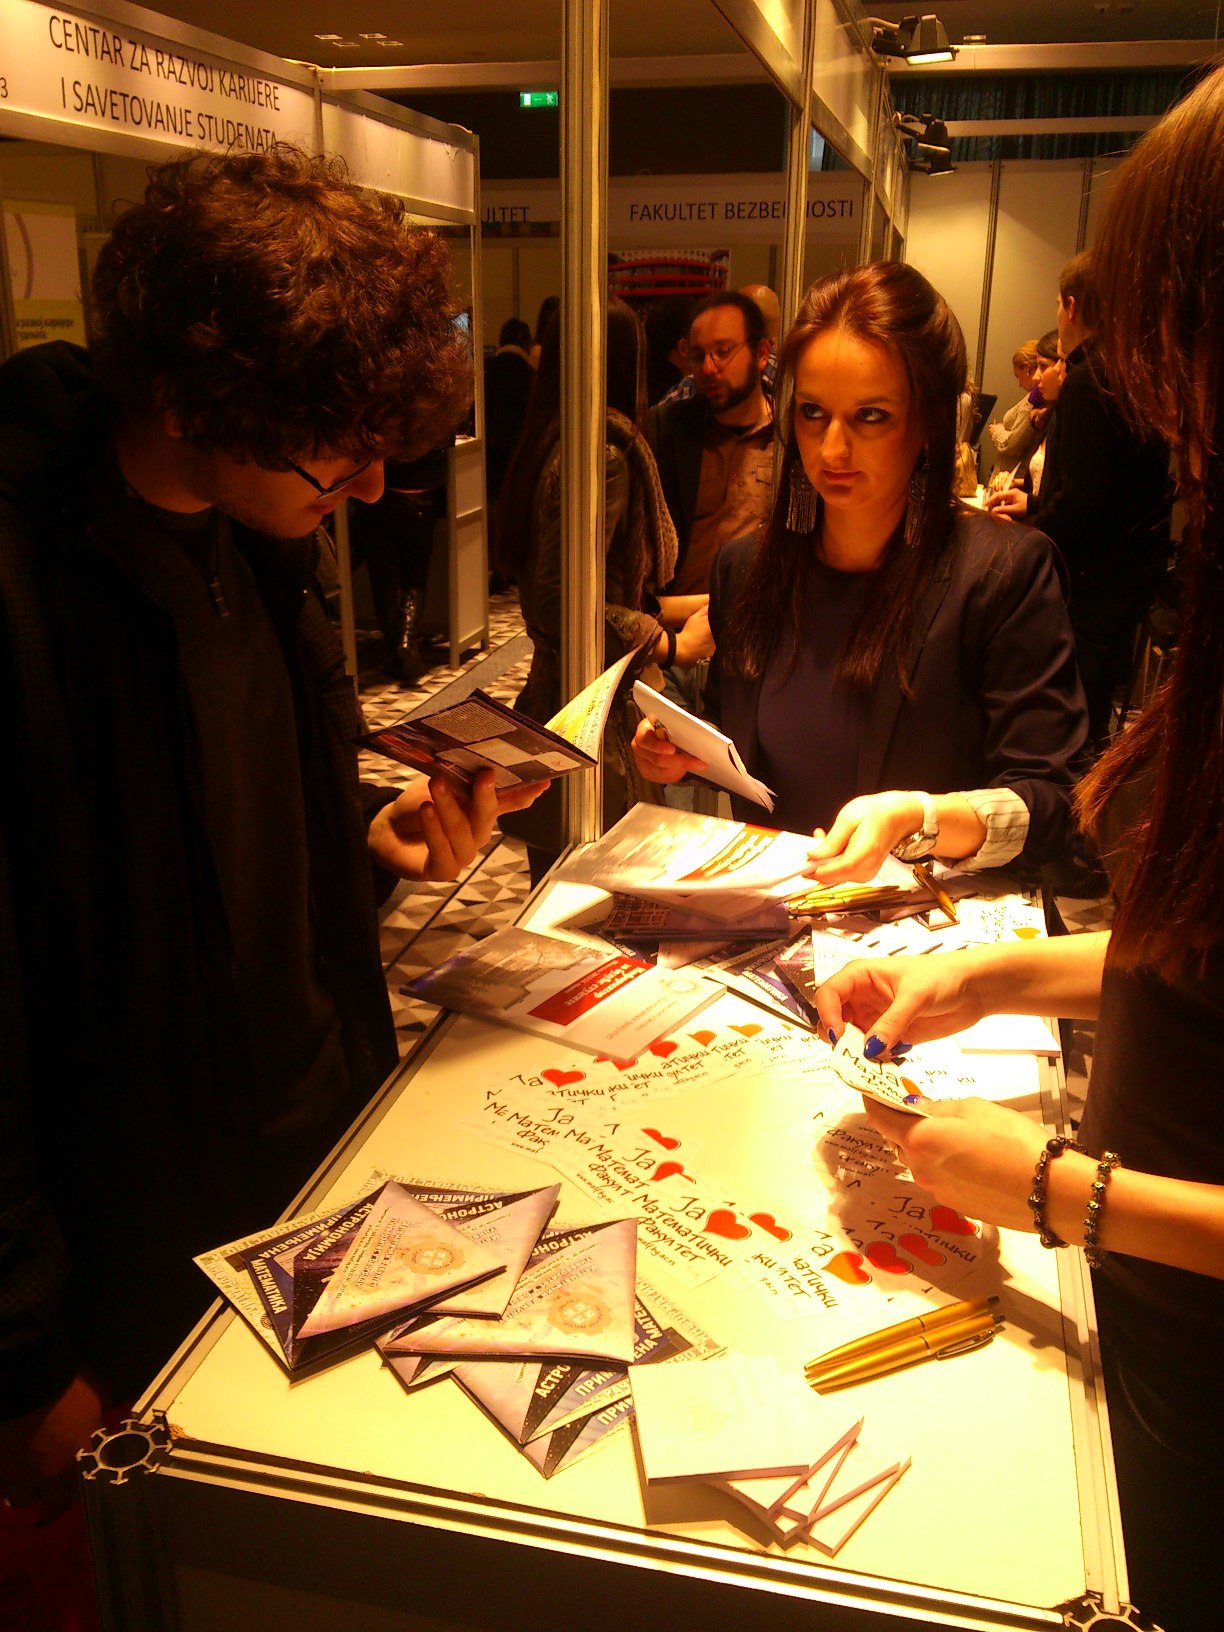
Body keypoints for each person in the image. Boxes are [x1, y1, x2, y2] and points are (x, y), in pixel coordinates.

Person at [0, 148, 546, 1519]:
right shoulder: (23, 591)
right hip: (128, 1236)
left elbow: (225, 816)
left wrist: (369, 841)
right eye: (336, 450)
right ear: (191, 398)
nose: (368, 488)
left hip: (313, 1151)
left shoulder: (261, 538)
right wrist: (18, 1358)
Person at [813, 65, 1224, 1631]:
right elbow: (1202, 970)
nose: (1158, 430)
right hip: (1140, 1318)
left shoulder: (1001, 569)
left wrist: (1066, 1190)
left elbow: (1047, 796)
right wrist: (1003, 976)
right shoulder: (765, 562)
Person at [633, 262, 1088, 883]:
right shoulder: (747, 570)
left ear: (928, 421)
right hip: (779, 909)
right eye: (813, 413)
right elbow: (737, 740)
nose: (832, 449)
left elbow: (1054, 802)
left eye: (870, 416)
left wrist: (923, 816)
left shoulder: (1002, 574)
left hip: (927, 921)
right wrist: (685, 748)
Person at [496, 298, 712, 880]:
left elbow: (586, 585)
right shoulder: (605, 453)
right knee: (600, 883)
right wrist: (669, 645)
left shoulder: (552, 441)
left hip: (561, 690)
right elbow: (560, 601)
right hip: (595, 701)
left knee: (562, 880)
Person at [986, 251, 1171, 749]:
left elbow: (1079, 509)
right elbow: (1105, 491)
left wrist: (1028, 530)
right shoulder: (1134, 376)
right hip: (1124, 583)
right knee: (1093, 716)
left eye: (1056, 304)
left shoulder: (1090, 384)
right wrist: (1033, 504)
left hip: (1089, 588)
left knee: (1071, 719)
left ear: (1071, 306)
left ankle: (1069, 794)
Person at [648, 290, 775, 596]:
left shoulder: (790, 436)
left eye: (723, 351)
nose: (708, 368)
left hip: (759, 615)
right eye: (698, 355)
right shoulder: (667, 430)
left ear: (761, 353)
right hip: (677, 614)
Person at [482, 316, 534, 516]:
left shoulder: (485, 371)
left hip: (489, 454)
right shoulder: (531, 375)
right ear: (526, 343)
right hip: (519, 456)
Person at [984, 340, 1043, 481]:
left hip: (1012, 478)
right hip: (1007, 477)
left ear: (1027, 368)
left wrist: (996, 431)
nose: (1019, 383)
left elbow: (1013, 445)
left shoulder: (1033, 401)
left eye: (1018, 376)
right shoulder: (1031, 399)